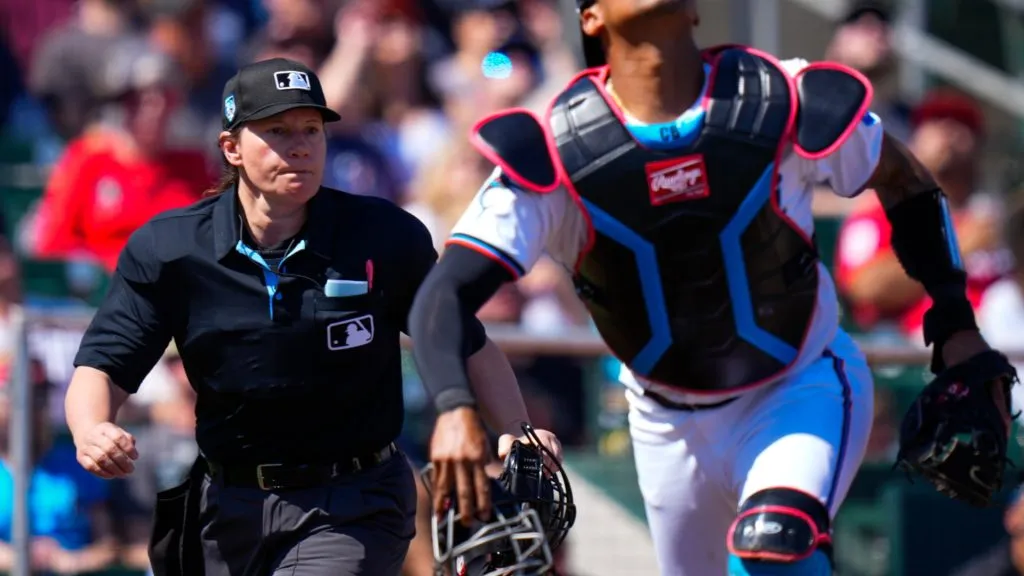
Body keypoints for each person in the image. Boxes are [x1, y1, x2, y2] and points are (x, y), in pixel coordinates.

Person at [407, 1, 1013, 574]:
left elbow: (905, 180)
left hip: (797, 383)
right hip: (664, 418)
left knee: (774, 544)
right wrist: (455, 408)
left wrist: (956, 323)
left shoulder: (781, 96)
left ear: (696, 9)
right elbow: (444, 293)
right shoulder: (554, 147)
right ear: (590, 17)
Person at [62, 57, 560, 576]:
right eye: (277, 131)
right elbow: (104, 363)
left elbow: (463, 339)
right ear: (231, 148)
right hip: (226, 505)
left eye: (311, 130)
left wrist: (516, 429)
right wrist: (90, 427)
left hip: (354, 499)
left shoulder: (382, 235)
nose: (299, 146)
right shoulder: (170, 248)